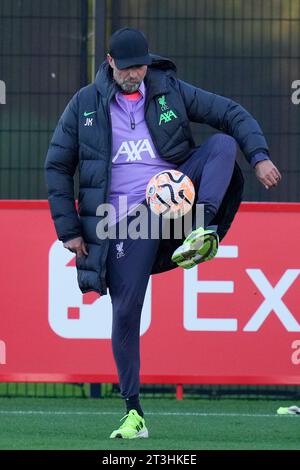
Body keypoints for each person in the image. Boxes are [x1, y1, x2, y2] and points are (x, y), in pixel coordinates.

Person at [45, 27, 281, 439]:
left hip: (176, 203)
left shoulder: (167, 88)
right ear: (110, 62)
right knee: (125, 312)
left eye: (142, 66)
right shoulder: (84, 105)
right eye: (129, 68)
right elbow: (57, 166)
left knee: (223, 144)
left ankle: (203, 232)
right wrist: (69, 230)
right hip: (124, 223)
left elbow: (231, 112)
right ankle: (133, 413)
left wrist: (258, 156)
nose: (136, 74)